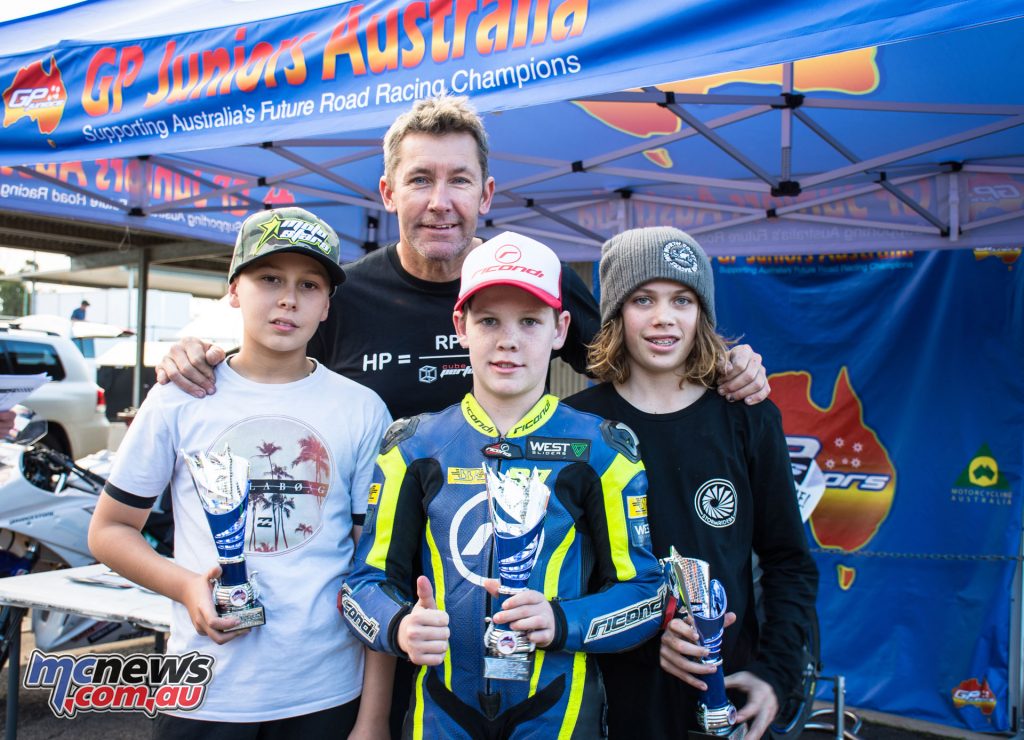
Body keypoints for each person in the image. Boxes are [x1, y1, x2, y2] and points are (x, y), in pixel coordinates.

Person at [156, 96, 770, 419]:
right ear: (388, 193)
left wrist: (724, 362)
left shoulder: (534, 278)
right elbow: (246, 344)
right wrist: (191, 349)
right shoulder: (339, 293)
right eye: (421, 180)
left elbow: (636, 359)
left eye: (460, 181)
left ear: (487, 193)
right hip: (375, 571)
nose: (441, 203)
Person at [342, 231, 664, 738]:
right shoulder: (413, 445)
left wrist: (563, 621)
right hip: (439, 712)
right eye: (489, 320)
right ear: (461, 327)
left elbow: (646, 595)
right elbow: (362, 586)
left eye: (530, 321)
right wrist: (398, 625)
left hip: (560, 712)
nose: (508, 340)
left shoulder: (601, 450)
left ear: (561, 330)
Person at [88, 207, 393, 737]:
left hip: (325, 690)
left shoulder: (363, 409)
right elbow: (110, 530)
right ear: (233, 289)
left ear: (327, 305)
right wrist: (185, 587)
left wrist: (372, 718)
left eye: (309, 284)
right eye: (269, 278)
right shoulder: (179, 397)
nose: (288, 299)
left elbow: (376, 568)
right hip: (203, 691)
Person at [564, 227, 818, 740]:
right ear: (615, 313)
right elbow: (563, 580)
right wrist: (637, 629)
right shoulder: (576, 427)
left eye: (682, 298)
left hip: (727, 701)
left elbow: (789, 561)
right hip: (610, 702)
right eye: (643, 299)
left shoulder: (748, 418)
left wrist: (775, 675)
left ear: (701, 313)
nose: (664, 317)